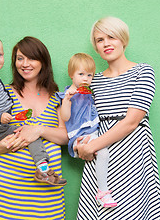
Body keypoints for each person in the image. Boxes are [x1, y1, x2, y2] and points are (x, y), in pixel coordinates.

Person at [0, 36, 68, 219]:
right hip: (6, 191)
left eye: (31, 58)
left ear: (43, 61)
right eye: (20, 58)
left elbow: (65, 137)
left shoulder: (57, 96)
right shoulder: (3, 93)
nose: (25, 64)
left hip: (47, 194)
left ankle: (43, 170)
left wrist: (39, 130)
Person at [75, 17, 160, 219]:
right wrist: (81, 142)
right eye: (100, 40)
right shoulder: (93, 81)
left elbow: (132, 121)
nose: (106, 43)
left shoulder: (143, 72)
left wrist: (93, 145)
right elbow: (85, 118)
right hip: (100, 160)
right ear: (96, 47)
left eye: (111, 37)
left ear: (123, 39)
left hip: (131, 155)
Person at [55, 53, 117, 208]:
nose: (85, 79)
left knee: (104, 154)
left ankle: (102, 191)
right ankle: (102, 192)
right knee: (103, 153)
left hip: (92, 132)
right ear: (71, 74)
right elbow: (66, 116)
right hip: (78, 135)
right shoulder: (67, 95)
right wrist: (67, 101)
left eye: (90, 75)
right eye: (81, 74)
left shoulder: (88, 93)